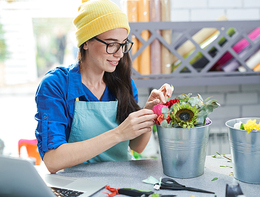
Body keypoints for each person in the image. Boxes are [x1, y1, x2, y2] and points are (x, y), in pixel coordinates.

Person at [34, 0, 173, 174]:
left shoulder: (123, 82)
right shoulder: (56, 85)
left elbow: (137, 145)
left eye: (123, 44)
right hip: (75, 184)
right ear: (85, 42)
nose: (119, 53)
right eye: (111, 44)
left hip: (121, 180)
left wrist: (150, 111)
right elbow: (53, 161)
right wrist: (119, 133)